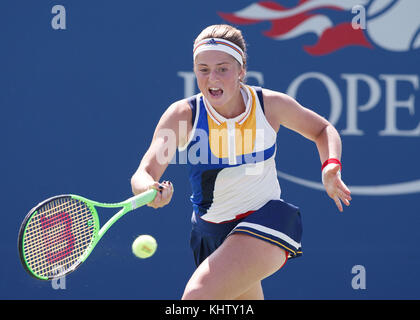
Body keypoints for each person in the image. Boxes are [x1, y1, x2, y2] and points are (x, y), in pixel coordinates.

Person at [130, 24, 352, 300]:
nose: (212, 78)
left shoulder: (269, 106)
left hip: (265, 222)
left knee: (195, 298)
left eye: (223, 68)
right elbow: (145, 172)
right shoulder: (183, 116)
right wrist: (150, 189)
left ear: (241, 71)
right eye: (203, 69)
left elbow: (322, 130)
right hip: (209, 233)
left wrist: (331, 166)